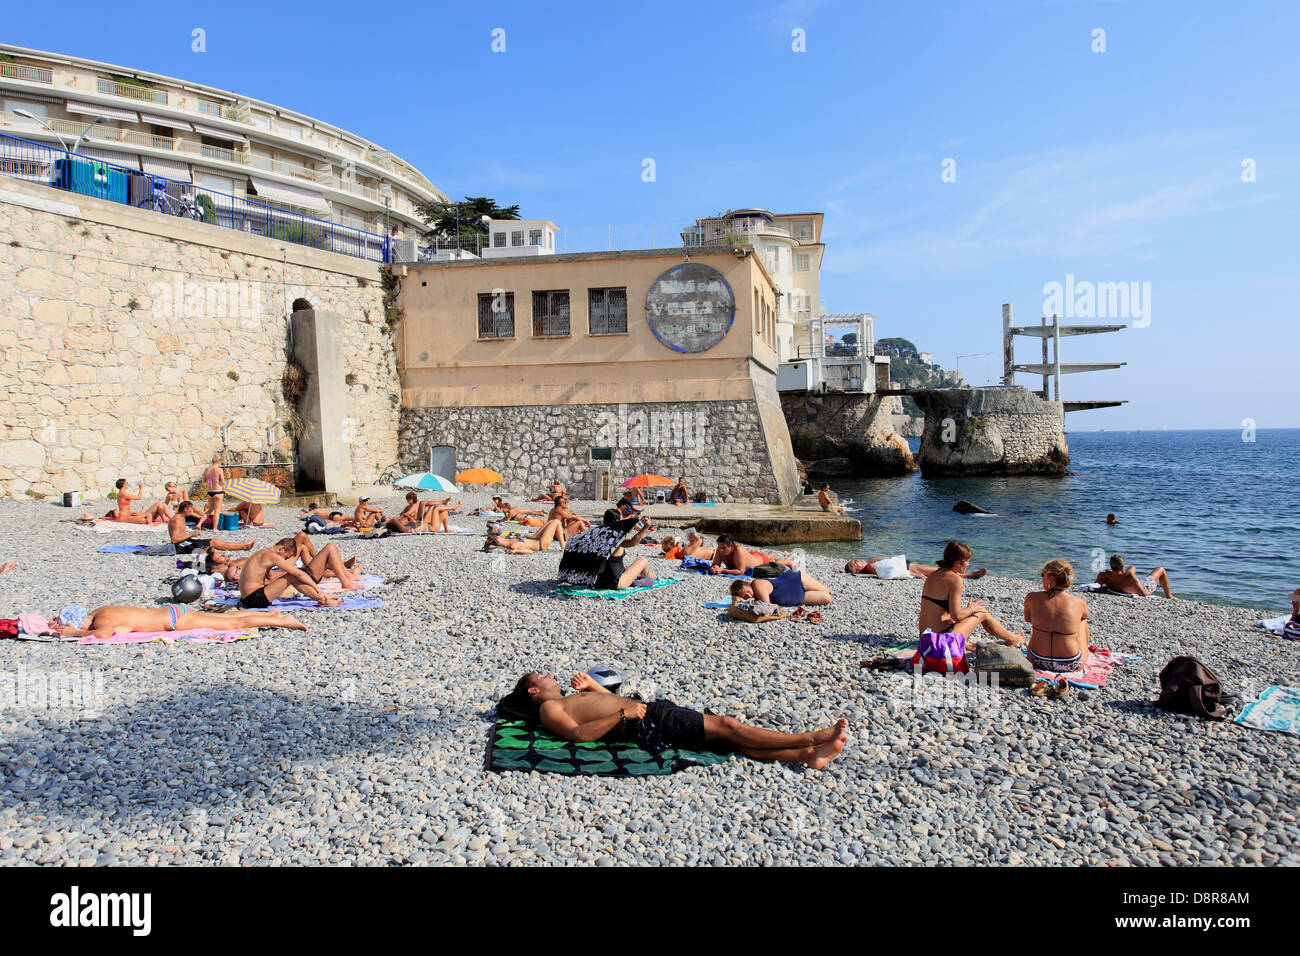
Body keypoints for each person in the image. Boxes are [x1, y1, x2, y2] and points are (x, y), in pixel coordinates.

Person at [509, 672, 848, 770]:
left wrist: (594, 689)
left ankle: (808, 757)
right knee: (727, 725)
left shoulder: (564, 700)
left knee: (726, 740)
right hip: (648, 721)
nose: (553, 675)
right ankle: (807, 739)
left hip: (648, 713)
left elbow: (602, 704)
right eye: (544, 676)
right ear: (534, 690)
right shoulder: (547, 710)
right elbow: (580, 735)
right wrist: (622, 714)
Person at [918, 540, 1025, 651]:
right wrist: (972, 608)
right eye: (967, 561)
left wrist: (968, 610)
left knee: (972, 613)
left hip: (924, 637)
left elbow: (939, 612)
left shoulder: (933, 575)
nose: (968, 564)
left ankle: (965, 642)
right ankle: (1013, 639)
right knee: (982, 614)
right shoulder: (955, 579)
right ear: (958, 562)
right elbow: (957, 616)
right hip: (940, 641)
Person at [238, 537, 365, 609]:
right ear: (282, 548)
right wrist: (319, 591)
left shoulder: (263, 553)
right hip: (253, 599)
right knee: (292, 575)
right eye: (286, 557)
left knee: (293, 575)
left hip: (251, 597)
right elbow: (297, 574)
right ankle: (322, 599)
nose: (285, 560)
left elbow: (267, 577)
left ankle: (323, 597)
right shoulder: (271, 555)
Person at [51, 604, 308, 638]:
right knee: (225, 618)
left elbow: (103, 635)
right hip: (173, 612)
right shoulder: (102, 610)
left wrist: (72, 634)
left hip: (176, 623)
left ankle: (283, 621)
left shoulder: (102, 621)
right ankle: (271, 616)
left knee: (230, 624)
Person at [1024, 559, 1091, 673]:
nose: (1042, 579)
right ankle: (1086, 651)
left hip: (1036, 659)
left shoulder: (1031, 597)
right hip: (1071, 663)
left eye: (1043, 575)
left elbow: (1028, 619)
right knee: (1082, 621)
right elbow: (1086, 615)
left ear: (1050, 578)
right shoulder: (1078, 602)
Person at [586, 510, 654, 590]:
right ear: (618, 521)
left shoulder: (596, 535)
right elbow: (633, 542)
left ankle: (639, 578)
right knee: (643, 561)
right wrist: (646, 527)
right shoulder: (616, 537)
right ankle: (644, 580)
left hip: (598, 582)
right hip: (615, 583)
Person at [168, 501, 253, 555]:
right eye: (191, 510)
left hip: (186, 542)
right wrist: (192, 534)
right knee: (214, 543)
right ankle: (244, 546)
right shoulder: (177, 520)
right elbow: (174, 540)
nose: (192, 511)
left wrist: (192, 535)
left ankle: (244, 545)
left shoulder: (181, 517)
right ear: (185, 509)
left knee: (214, 542)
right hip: (181, 546)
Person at [741, 568, 832, 612]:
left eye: (747, 592)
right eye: (744, 596)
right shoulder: (755, 597)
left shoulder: (757, 584)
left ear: (748, 585)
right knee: (827, 598)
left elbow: (766, 606)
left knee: (827, 591)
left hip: (796, 580)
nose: (748, 596)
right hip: (798, 597)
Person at [1096, 554, 1174, 598]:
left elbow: (1095, 587)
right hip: (1145, 586)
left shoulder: (1103, 575)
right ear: (1123, 567)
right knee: (1161, 569)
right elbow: (1144, 593)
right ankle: (1169, 595)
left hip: (1126, 586)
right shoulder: (1129, 575)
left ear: (1110, 565)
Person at [709, 535, 793, 576]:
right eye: (719, 547)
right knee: (753, 558)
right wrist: (714, 568)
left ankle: (786, 561)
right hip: (752, 557)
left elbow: (741, 571)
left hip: (760, 561)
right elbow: (714, 566)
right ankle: (770, 556)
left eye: (723, 547)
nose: (720, 550)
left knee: (774, 564)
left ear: (731, 546)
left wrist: (722, 570)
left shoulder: (738, 549)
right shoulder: (719, 550)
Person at [845, 557, 987, 579]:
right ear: (858, 570)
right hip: (907, 567)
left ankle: (963, 572)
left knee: (937, 569)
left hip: (905, 564)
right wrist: (912, 573)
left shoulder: (869, 564)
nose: (858, 560)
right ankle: (969, 575)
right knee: (938, 571)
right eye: (855, 563)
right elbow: (887, 572)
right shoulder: (869, 567)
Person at [482, 518, 568, 554]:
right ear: (498, 542)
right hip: (540, 544)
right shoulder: (512, 546)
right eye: (497, 538)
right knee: (556, 522)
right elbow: (530, 552)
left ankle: (562, 545)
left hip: (533, 538)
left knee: (551, 521)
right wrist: (516, 551)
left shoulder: (508, 541)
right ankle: (563, 547)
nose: (498, 536)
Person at [202, 455, 225, 532]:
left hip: (210, 492)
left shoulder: (207, 470)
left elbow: (204, 481)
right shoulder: (219, 470)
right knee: (217, 511)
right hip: (218, 491)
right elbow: (222, 481)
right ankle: (215, 528)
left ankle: (199, 524)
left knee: (209, 511)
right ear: (219, 461)